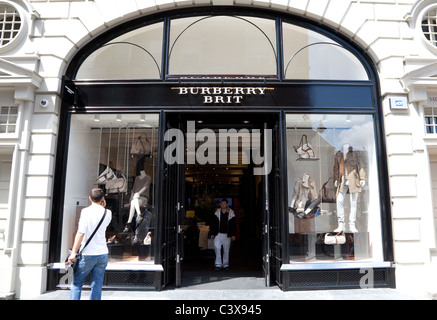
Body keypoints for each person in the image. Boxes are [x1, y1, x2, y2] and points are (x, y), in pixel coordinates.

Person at [67, 188, 112, 300]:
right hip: (102, 253)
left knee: (77, 284)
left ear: (90, 198)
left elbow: (81, 233)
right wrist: (103, 206)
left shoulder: (86, 211)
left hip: (87, 254)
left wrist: (73, 252)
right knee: (97, 285)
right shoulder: (108, 213)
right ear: (103, 199)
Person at [333, 144, 366, 233]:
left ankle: (352, 224)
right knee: (339, 200)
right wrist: (336, 178)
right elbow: (336, 168)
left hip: (353, 179)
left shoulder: (355, 153)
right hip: (342, 180)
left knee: (353, 202)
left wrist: (362, 178)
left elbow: (361, 166)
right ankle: (341, 224)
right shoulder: (338, 154)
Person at [210, 198, 236, 271]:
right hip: (218, 233)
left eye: (224, 203)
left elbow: (233, 224)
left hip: (227, 234)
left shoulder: (231, 212)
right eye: (221, 203)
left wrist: (233, 234)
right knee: (217, 248)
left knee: (226, 249)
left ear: (227, 204)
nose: (223, 205)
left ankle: (225, 264)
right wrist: (212, 233)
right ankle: (218, 264)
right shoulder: (217, 212)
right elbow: (213, 223)